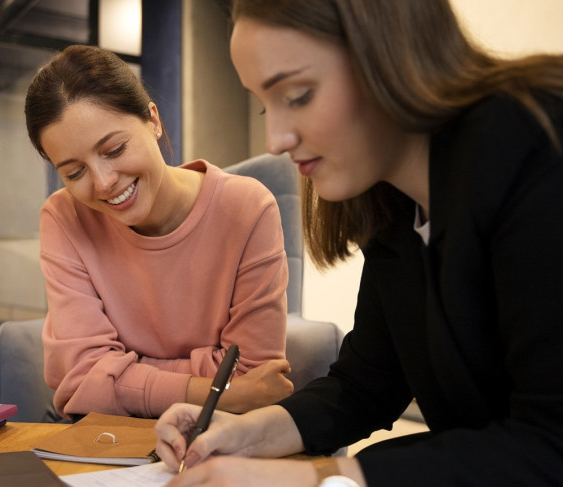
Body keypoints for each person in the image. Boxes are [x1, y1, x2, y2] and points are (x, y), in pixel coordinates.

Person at [154, 0, 563, 485]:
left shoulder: (532, 142)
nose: (276, 138)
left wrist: (311, 480)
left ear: (390, 55)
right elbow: (368, 382)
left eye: (299, 95)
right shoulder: (394, 207)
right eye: (267, 104)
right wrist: (248, 433)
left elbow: (549, 443)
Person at [24, 44, 295, 420]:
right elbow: (79, 378)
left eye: (115, 149)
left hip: (220, 434)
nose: (103, 184)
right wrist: (216, 390)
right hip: (107, 435)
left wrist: (122, 373)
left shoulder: (247, 208)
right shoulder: (64, 216)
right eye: (74, 173)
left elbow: (253, 375)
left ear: (153, 119)